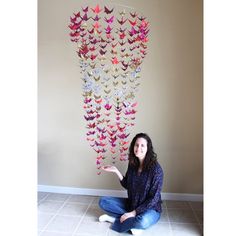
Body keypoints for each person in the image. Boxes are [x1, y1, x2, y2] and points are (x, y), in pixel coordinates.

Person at [98, 133, 163, 235]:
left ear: (148, 149)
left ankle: (115, 219)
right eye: (136, 145)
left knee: (142, 221)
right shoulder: (132, 164)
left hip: (150, 209)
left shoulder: (156, 170)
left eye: (142, 146)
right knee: (103, 201)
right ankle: (130, 220)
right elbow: (127, 185)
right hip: (132, 204)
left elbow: (154, 198)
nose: (138, 148)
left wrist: (134, 213)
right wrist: (116, 171)